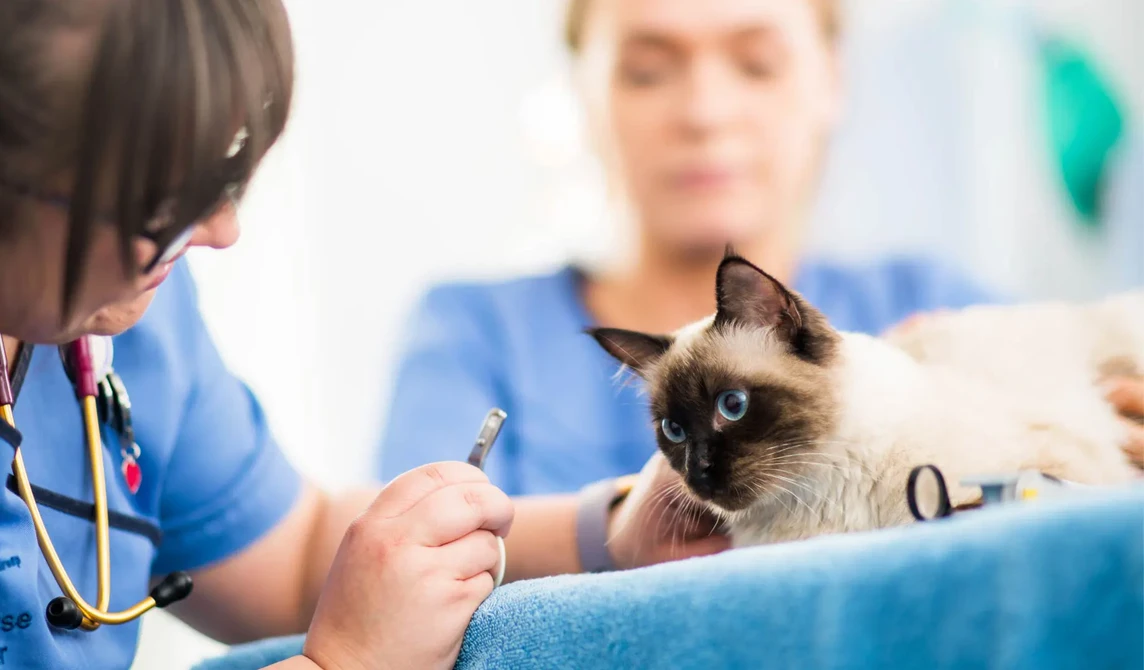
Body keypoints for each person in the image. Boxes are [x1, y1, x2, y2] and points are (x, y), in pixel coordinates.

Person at [0, 2, 723, 669]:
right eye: (158, 205)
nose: (222, 232)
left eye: (223, 172)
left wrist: (613, 532)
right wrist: (342, 663)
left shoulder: (139, 321)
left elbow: (297, 560)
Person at [376, 0, 1002, 495]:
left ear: (831, 81)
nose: (705, 112)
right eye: (648, 72)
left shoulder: (933, 304)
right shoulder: (476, 337)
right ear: (583, 96)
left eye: (757, 63)